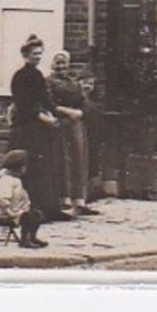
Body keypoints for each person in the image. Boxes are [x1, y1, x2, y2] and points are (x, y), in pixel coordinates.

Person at [9, 36, 69, 223]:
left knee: (47, 167)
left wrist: (54, 114)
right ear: (26, 55)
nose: (38, 57)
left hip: (41, 128)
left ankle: (49, 208)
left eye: (40, 53)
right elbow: (25, 105)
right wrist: (44, 118)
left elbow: (46, 100)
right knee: (32, 167)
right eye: (35, 54)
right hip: (28, 128)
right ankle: (32, 210)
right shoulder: (20, 76)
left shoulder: (37, 75)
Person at [47, 51, 98, 216]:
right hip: (60, 125)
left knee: (79, 160)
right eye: (57, 63)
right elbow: (49, 104)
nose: (61, 66)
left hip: (76, 125)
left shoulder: (74, 83)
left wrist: (81, 112)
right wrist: (67, 111)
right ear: (52, 65)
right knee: (64, 161)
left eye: (63, 63)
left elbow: (84, 102)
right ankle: (65, 199)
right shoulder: (48, 82)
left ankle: (80, 200)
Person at [0, 149, 47, 249]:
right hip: (6, 212)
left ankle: (32, 236)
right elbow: (1, 198)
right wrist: (9, 212)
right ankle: (24, 239)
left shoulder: (16, 180)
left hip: (17, 210)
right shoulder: (6, 180)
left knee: (37, 214)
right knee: (29, 217)